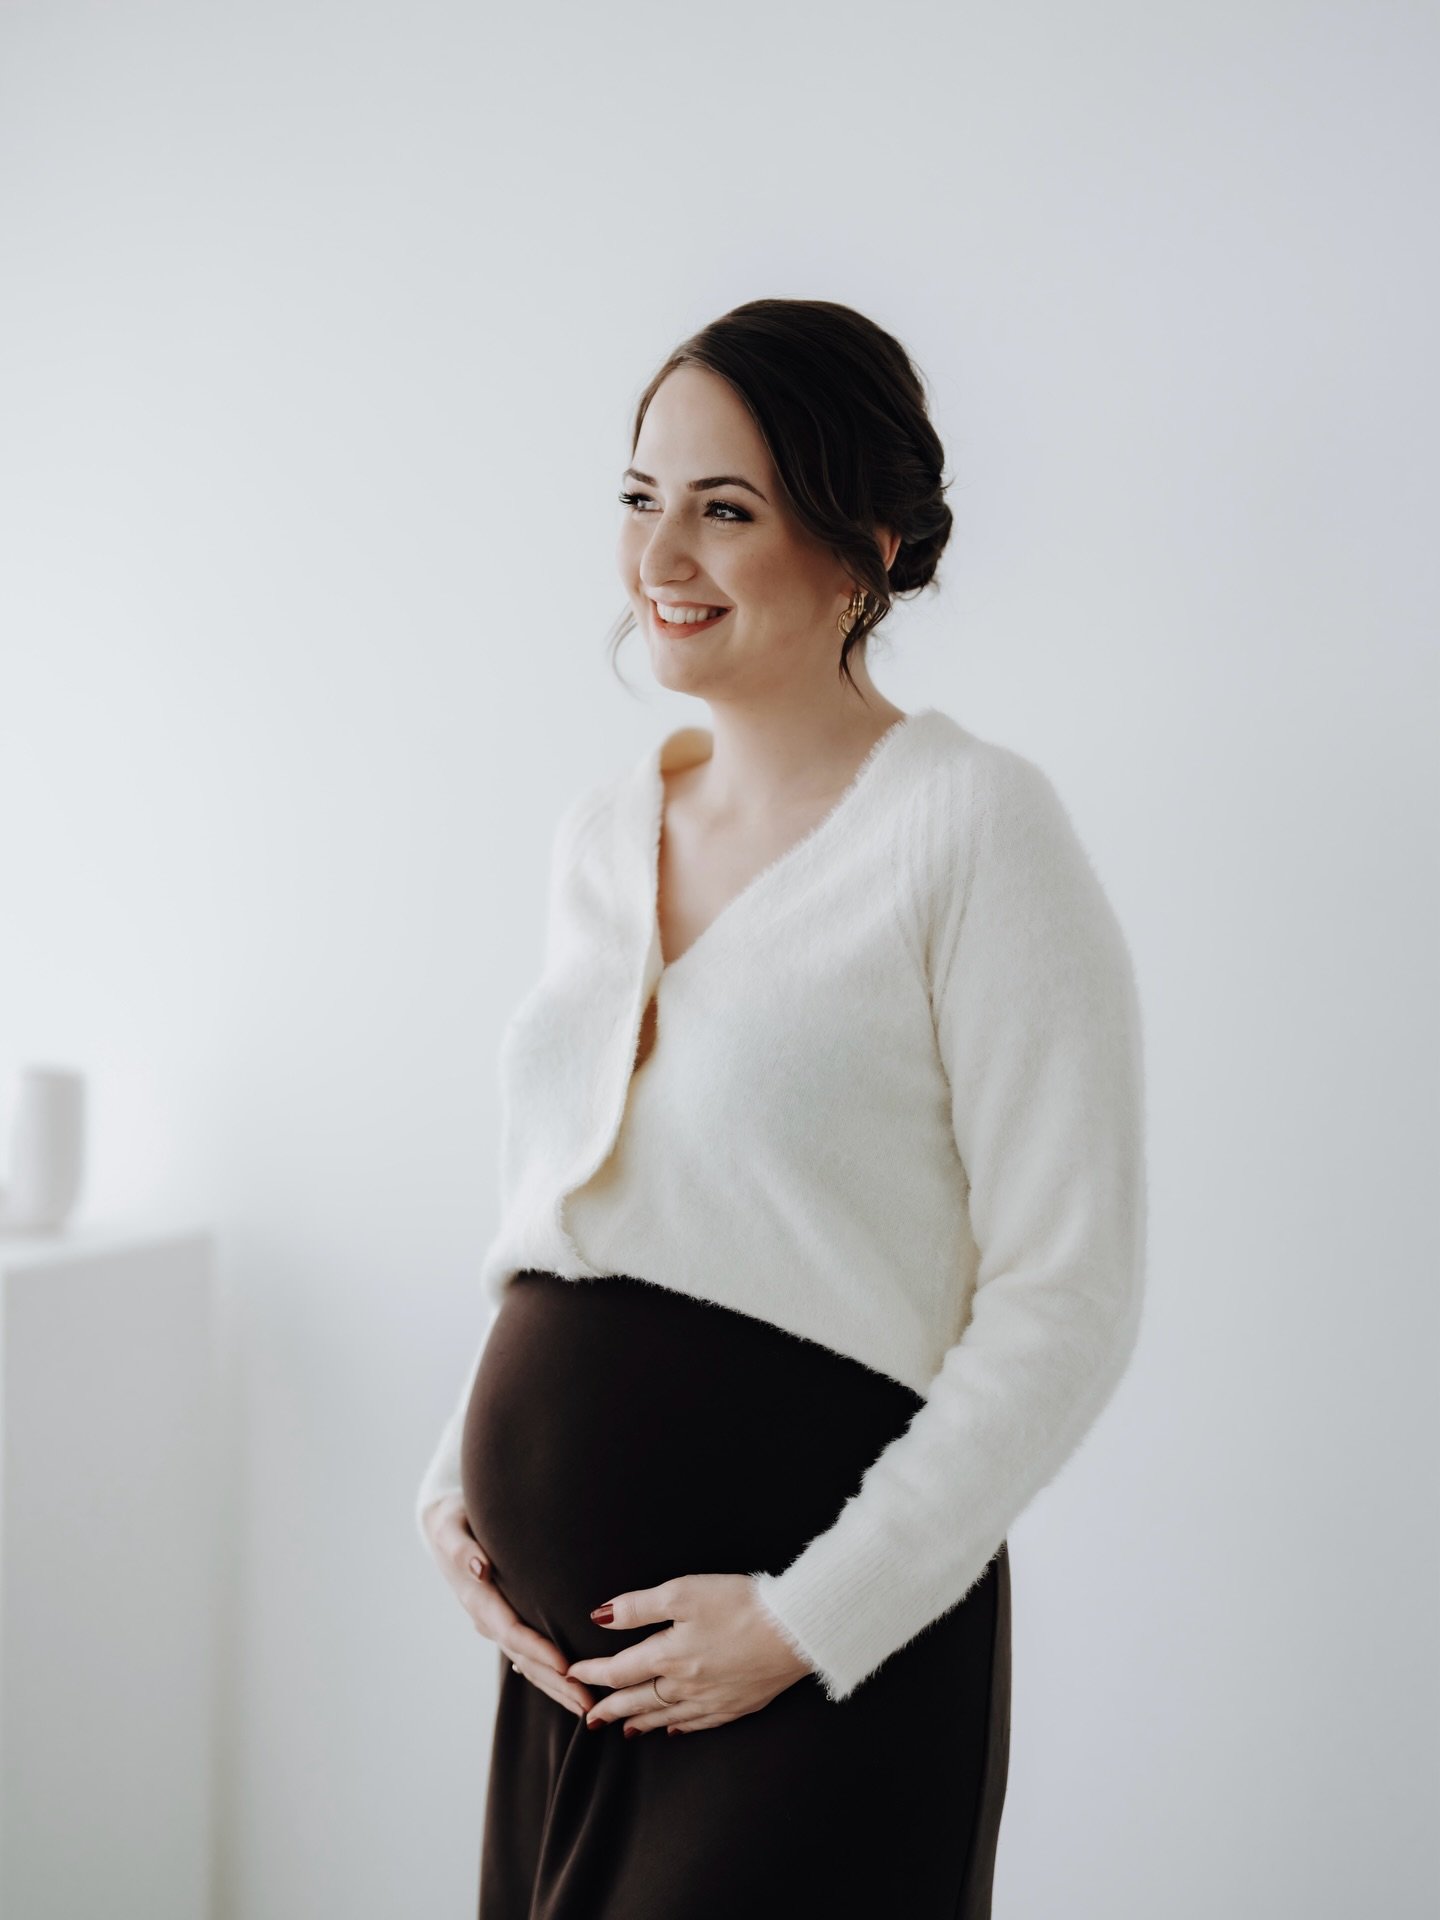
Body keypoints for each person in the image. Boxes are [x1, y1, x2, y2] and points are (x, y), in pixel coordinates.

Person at [416, 298, 1148, 1918]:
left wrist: (810, 1620)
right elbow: (576, 1206)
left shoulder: (973, 830)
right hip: (573, 1682)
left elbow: (1069, 1296)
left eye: (724, 509)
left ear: (863, 546)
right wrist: (459, 1483)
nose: (660, 552)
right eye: (638, 497)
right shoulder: (604, 834)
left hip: (818, 1660)